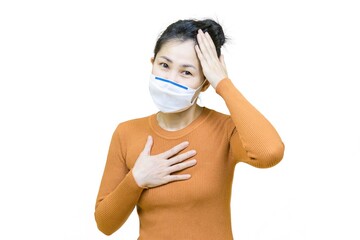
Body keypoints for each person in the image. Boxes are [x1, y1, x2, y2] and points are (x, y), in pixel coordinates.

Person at [94, 18, 285, 239]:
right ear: (152, 62)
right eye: (164, 65)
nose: (171, 79)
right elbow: (105, 224)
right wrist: (137, 178)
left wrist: (223, 83)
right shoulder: (126, 133)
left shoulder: (225, 130)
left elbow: (270, 152)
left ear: (205, 83)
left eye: (187, 72)